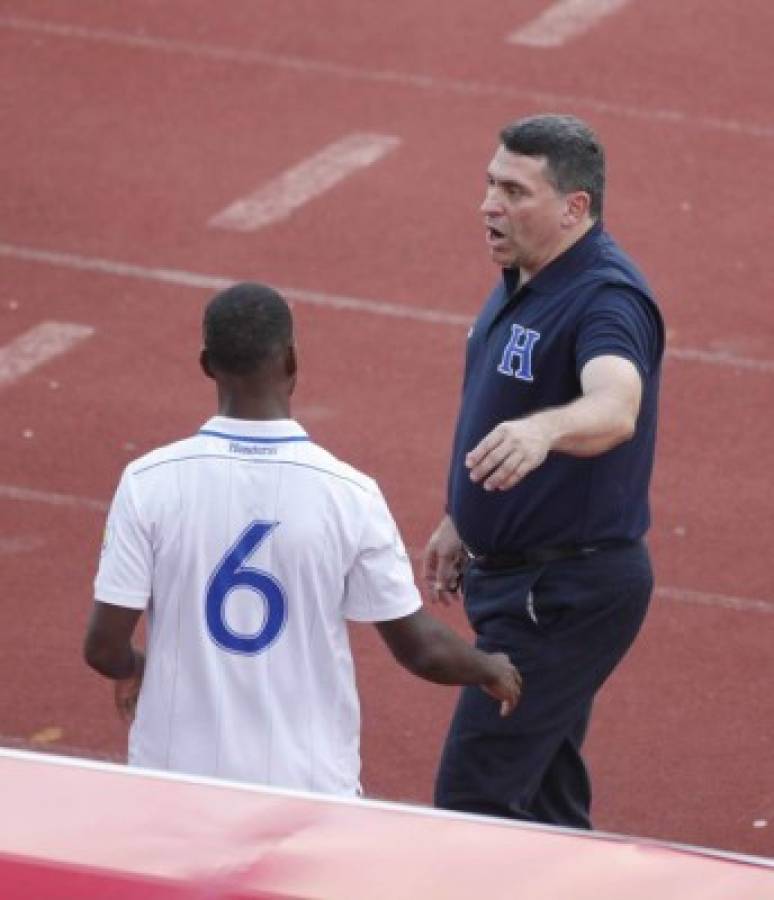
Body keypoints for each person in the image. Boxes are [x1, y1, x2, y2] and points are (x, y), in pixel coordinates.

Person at [83, 282, 520, 797]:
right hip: (306, 789)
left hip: (174, 785)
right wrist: (490, 667)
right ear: (292, 361)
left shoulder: (148, 482)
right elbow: (420, 649)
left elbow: (103, 648)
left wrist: (138, 669)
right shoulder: (350, 494)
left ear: (206, 364)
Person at [424, 114, 664, 828]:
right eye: (489, 184)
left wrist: (545, 429)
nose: (489, 205)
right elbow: (505, 398)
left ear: (575, 208)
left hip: (560, 595)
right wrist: (463, 515)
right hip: (524, 578)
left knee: (474, 801)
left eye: (514, 190)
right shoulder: (527, 276)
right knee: (545, 799)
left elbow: (616, 404)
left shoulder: (606, 299)